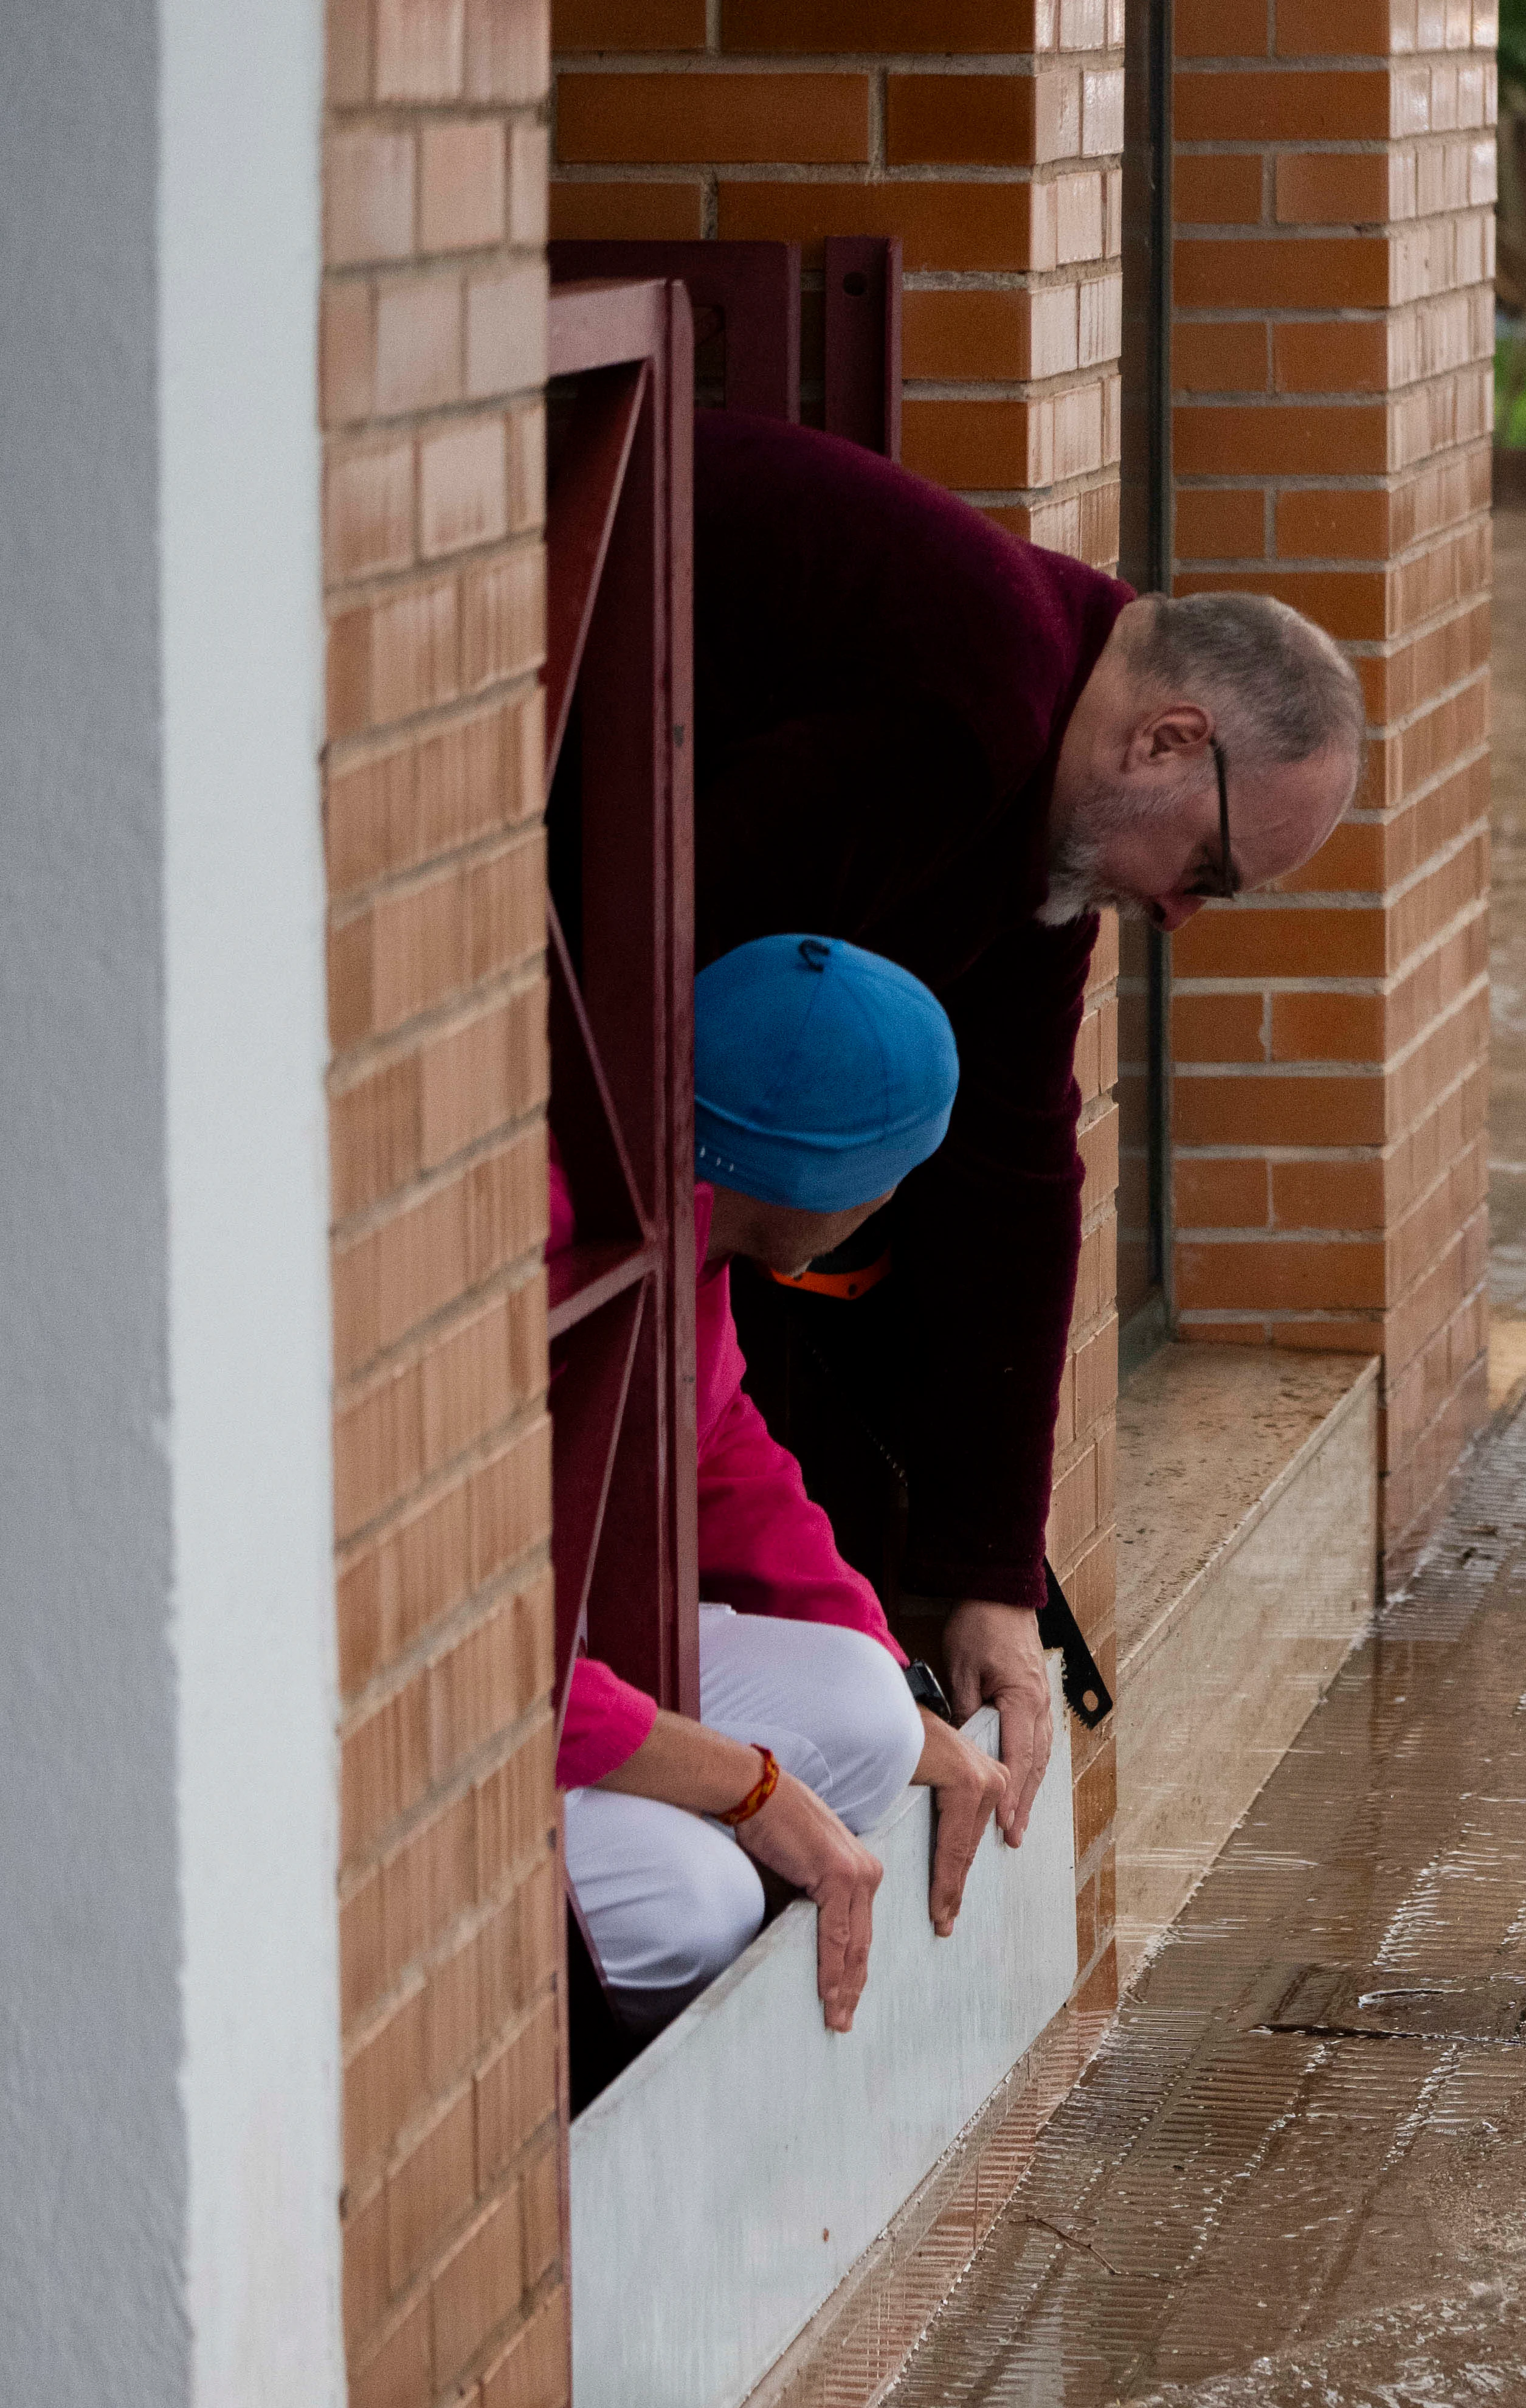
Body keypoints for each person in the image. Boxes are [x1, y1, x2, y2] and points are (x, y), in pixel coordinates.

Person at [688, 412, 1370, 1844]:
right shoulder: (972, 706)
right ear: (1171, 738)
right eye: (1212, 872)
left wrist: (990, 1573)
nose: (1182, 914)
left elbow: (1014, 1168)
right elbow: (658, 959)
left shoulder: (1048, 766)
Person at [559, 935, 1012, 2040]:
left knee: (867, 1717)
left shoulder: (687, 1223)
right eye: (894, 1172)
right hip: (453, 1718)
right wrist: (750, 1791)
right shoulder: (570, 1249)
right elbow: (473, 1660)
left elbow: (720, 1447)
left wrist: (905, 1695)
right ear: (830, 1179)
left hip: (562, 1673)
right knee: (690, 1900)